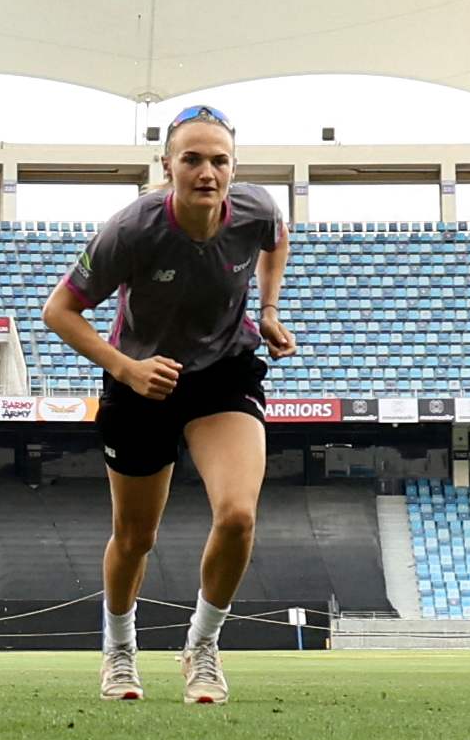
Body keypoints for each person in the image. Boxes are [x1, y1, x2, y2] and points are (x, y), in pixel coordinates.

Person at [42, 106, 291, 704]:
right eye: (193, 159)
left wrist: (269, 309)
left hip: (223, 375)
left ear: (235, 167)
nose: (208, 172)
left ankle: (202, 648)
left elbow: (276, 238)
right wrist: (127, 368)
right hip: (141, 382)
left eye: (219, 160)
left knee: (237, 515)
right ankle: (119, 652)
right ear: (168, 166)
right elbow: (59, 312)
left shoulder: (257, 209)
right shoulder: (131, 230)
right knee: (135, 537)